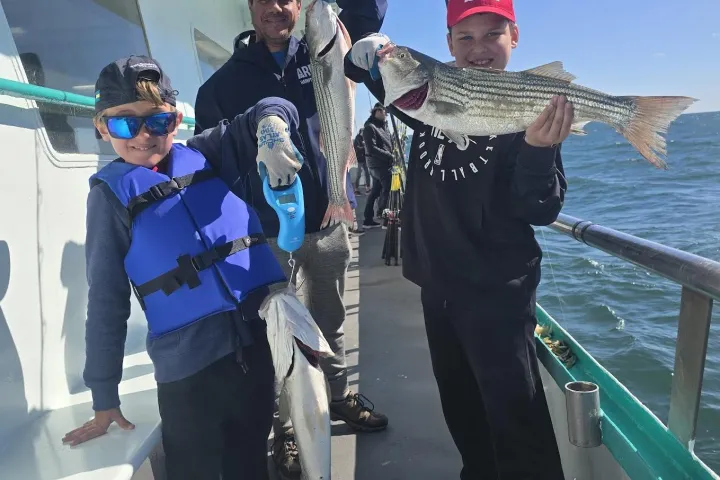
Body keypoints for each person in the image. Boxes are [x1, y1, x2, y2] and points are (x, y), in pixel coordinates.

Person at [345, 0, 572, 478]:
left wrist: (537, 149)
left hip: (496, 292)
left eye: (492, 34)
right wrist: (366, 47)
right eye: (465, 38)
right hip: (436, 284)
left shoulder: (528, 105)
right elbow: (366, 69)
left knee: (516, 421)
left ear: (514, 37)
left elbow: (541, 209)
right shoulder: (425, 99)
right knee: (462, 411)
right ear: (448, 45)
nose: (479, 48)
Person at [61, 55, 307, 480]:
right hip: (187, 376)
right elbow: (106, 299)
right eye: (124, 124)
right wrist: (104, 396)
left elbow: (271, 105)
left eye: (157, 122)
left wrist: (272, 128)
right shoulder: (109, 199)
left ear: (175, 121)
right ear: (101, 127)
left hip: (256, 349)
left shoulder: (207, 154)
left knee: (252, 463)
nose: (143, 136)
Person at [192, 1, 389, 478]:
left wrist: (369, 47)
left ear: (300, 7)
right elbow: (210, 160)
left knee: (331, 316)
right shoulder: (222, 85)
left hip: (328, 217)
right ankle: (288, 428)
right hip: (264, 232)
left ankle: (338, 397)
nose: (276, 8)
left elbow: (370, 12)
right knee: (280, 335)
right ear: (251, 8)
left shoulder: (328, 53)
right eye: (264, 0)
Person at [361, 102, 394, 228]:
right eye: (384, 111)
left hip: (381, 165)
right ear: (378, 111)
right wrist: (390, 156)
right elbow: (371, 149)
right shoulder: (370, 127)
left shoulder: (383, 126)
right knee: (388, 190)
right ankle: (385, 218)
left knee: (375, 192)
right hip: (379, 166)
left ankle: (367, 220)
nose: (386, 114)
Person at [353, 127, 371, 194]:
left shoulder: (365, 138)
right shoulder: (357, 138)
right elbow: (356, 148)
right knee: (358, 175)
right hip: (359, 159)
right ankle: (356, 189)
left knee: (367, 173)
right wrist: (364, 146)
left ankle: (368, 188)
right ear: (361, 132)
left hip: (364, 159)